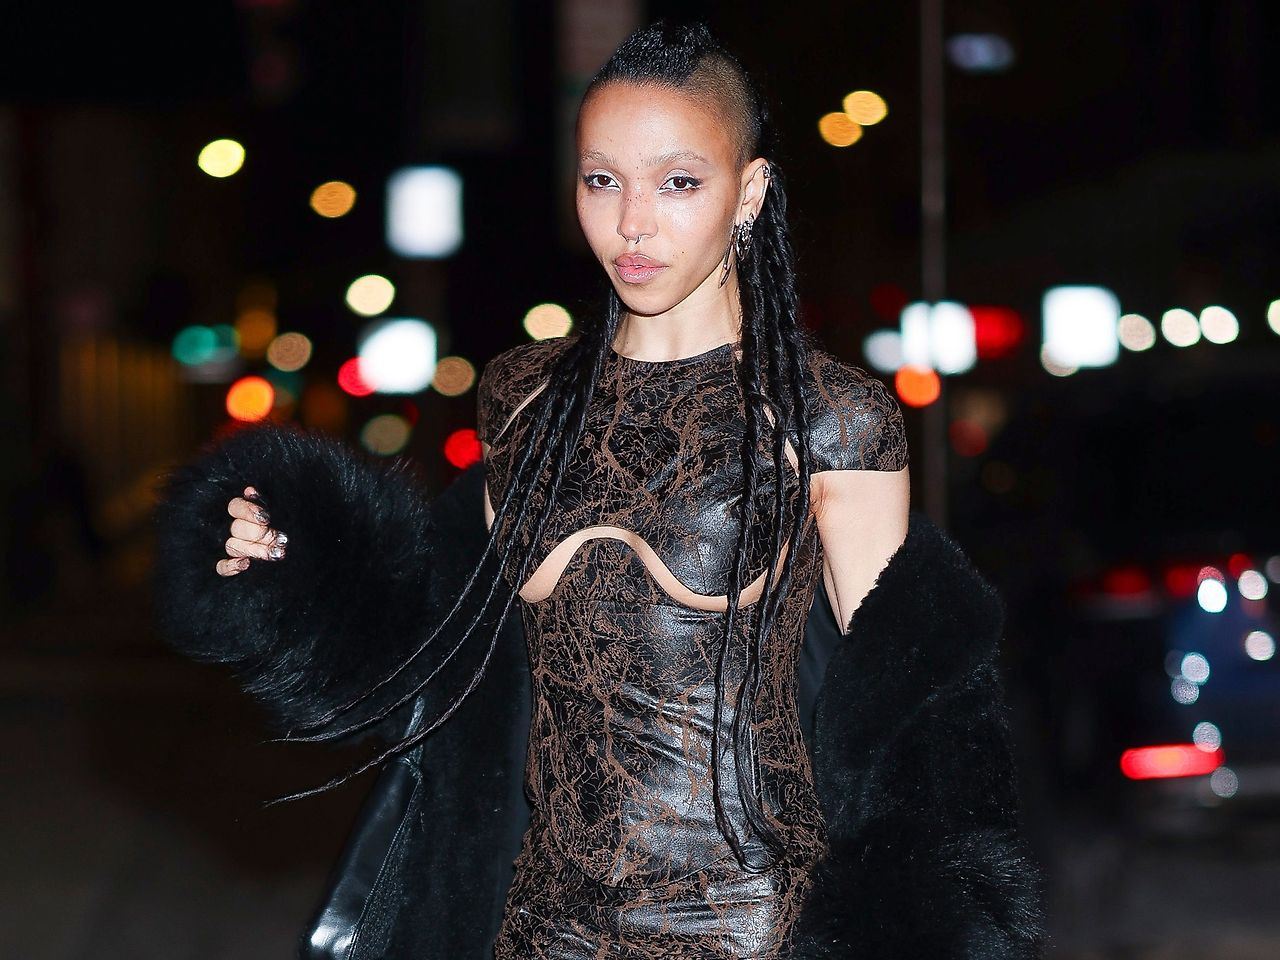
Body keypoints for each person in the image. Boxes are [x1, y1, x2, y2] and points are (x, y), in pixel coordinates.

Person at [152, 19, 1043, 960]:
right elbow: (445, 657)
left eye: (678, 182)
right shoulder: (522, 398)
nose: (632, 224)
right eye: (602, 180)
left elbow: (916, 729)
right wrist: (299, 566)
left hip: (751, 934)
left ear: (749, 192)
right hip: (538, 930)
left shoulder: (831, 421)